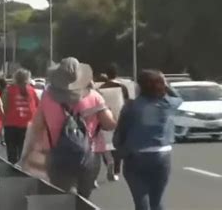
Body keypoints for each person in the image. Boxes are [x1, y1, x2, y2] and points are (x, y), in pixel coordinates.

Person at [21, 57, 117, 199]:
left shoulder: (47, 97)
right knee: (84, 199)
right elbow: (110, 124)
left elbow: (37, 127)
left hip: (57, 155)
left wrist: (28, 154)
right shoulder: (94, 96)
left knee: (62, 198)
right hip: (89, 155)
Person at [113, 69, 182, 210]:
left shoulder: (131, 106)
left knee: (141, 200)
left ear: (139, 86)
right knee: (156, 201)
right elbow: (180, 99)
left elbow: (121, 132)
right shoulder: (167, 104)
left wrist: (117, 157)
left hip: (136, 155)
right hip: (162, 155)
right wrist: (166, 84)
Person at [99, 63, 130, 182]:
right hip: (120, 118)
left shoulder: (101, 87)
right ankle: (116, 169)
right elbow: (127, 103)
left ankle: (109, 163)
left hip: (105, 118)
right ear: (117, 74)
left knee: (105, 145)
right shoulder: (122, 87)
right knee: (118, 145)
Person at [3, 69, 39, 164]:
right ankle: (22, 173)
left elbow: (4, 108)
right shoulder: (32, 91)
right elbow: (38, 107)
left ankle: (11, 172)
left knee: (12, 154)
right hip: (27, 126)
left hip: (11, 125)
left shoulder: (9, 90)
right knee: (24, 153)